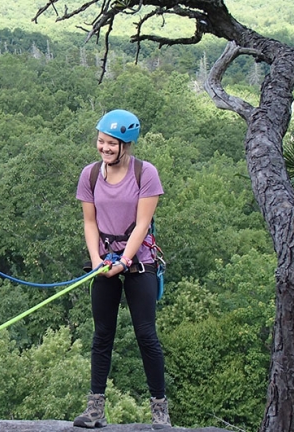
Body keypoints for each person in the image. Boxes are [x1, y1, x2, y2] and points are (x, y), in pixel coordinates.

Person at [73, 109, 171, 429]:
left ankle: (159, 409)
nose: (104, 148)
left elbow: (142, 224)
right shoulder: (89, 175)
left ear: (126, 145)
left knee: (146, 334)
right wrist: (98, 260)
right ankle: (95, 409)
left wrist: (125, 262)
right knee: (102, 335)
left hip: (139, 261)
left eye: (111, 144)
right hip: (103, 263)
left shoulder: (145, 174)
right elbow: (90, 222)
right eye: (101, 141)